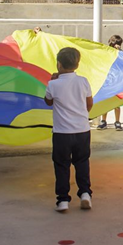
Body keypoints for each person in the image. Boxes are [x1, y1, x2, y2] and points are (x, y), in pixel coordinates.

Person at [44, 47, 94, 212]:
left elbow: (48, 102)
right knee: (82, 162)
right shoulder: (83, 81)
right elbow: (89, 104)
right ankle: (85, 193)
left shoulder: (53, 84)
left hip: (61, 133)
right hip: (82, 130)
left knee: (61, 165)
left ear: (58, 64)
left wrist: (53, 80)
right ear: (77, 64)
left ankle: (63, 200)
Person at [98, 35, 123, 130]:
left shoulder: (120, 54)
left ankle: (117, 121)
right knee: (105, 101)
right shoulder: (106, 52)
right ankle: (103, 121)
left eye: (119, 44)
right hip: (107, 79)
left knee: (116, 102)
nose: (117, 46)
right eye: (116, 44)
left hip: (116, 80)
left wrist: (119, 51)